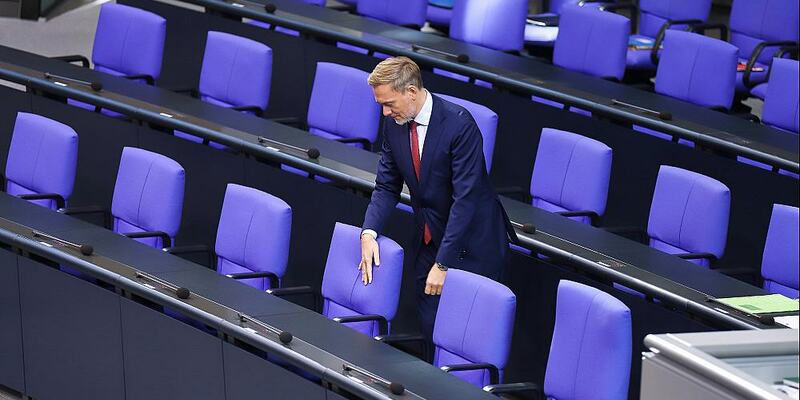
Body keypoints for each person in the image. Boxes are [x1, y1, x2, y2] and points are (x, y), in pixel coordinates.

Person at [359, 56, 516, 342]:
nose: (384, 112)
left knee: (470, 340)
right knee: (432, 331)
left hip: (472, 246)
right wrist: (369, 232)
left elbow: (465, 200)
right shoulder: (394, 125)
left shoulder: (459, 125)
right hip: (430, 240)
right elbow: (386, 187)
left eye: (389, 103)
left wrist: (443, 264)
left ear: (411, 92)